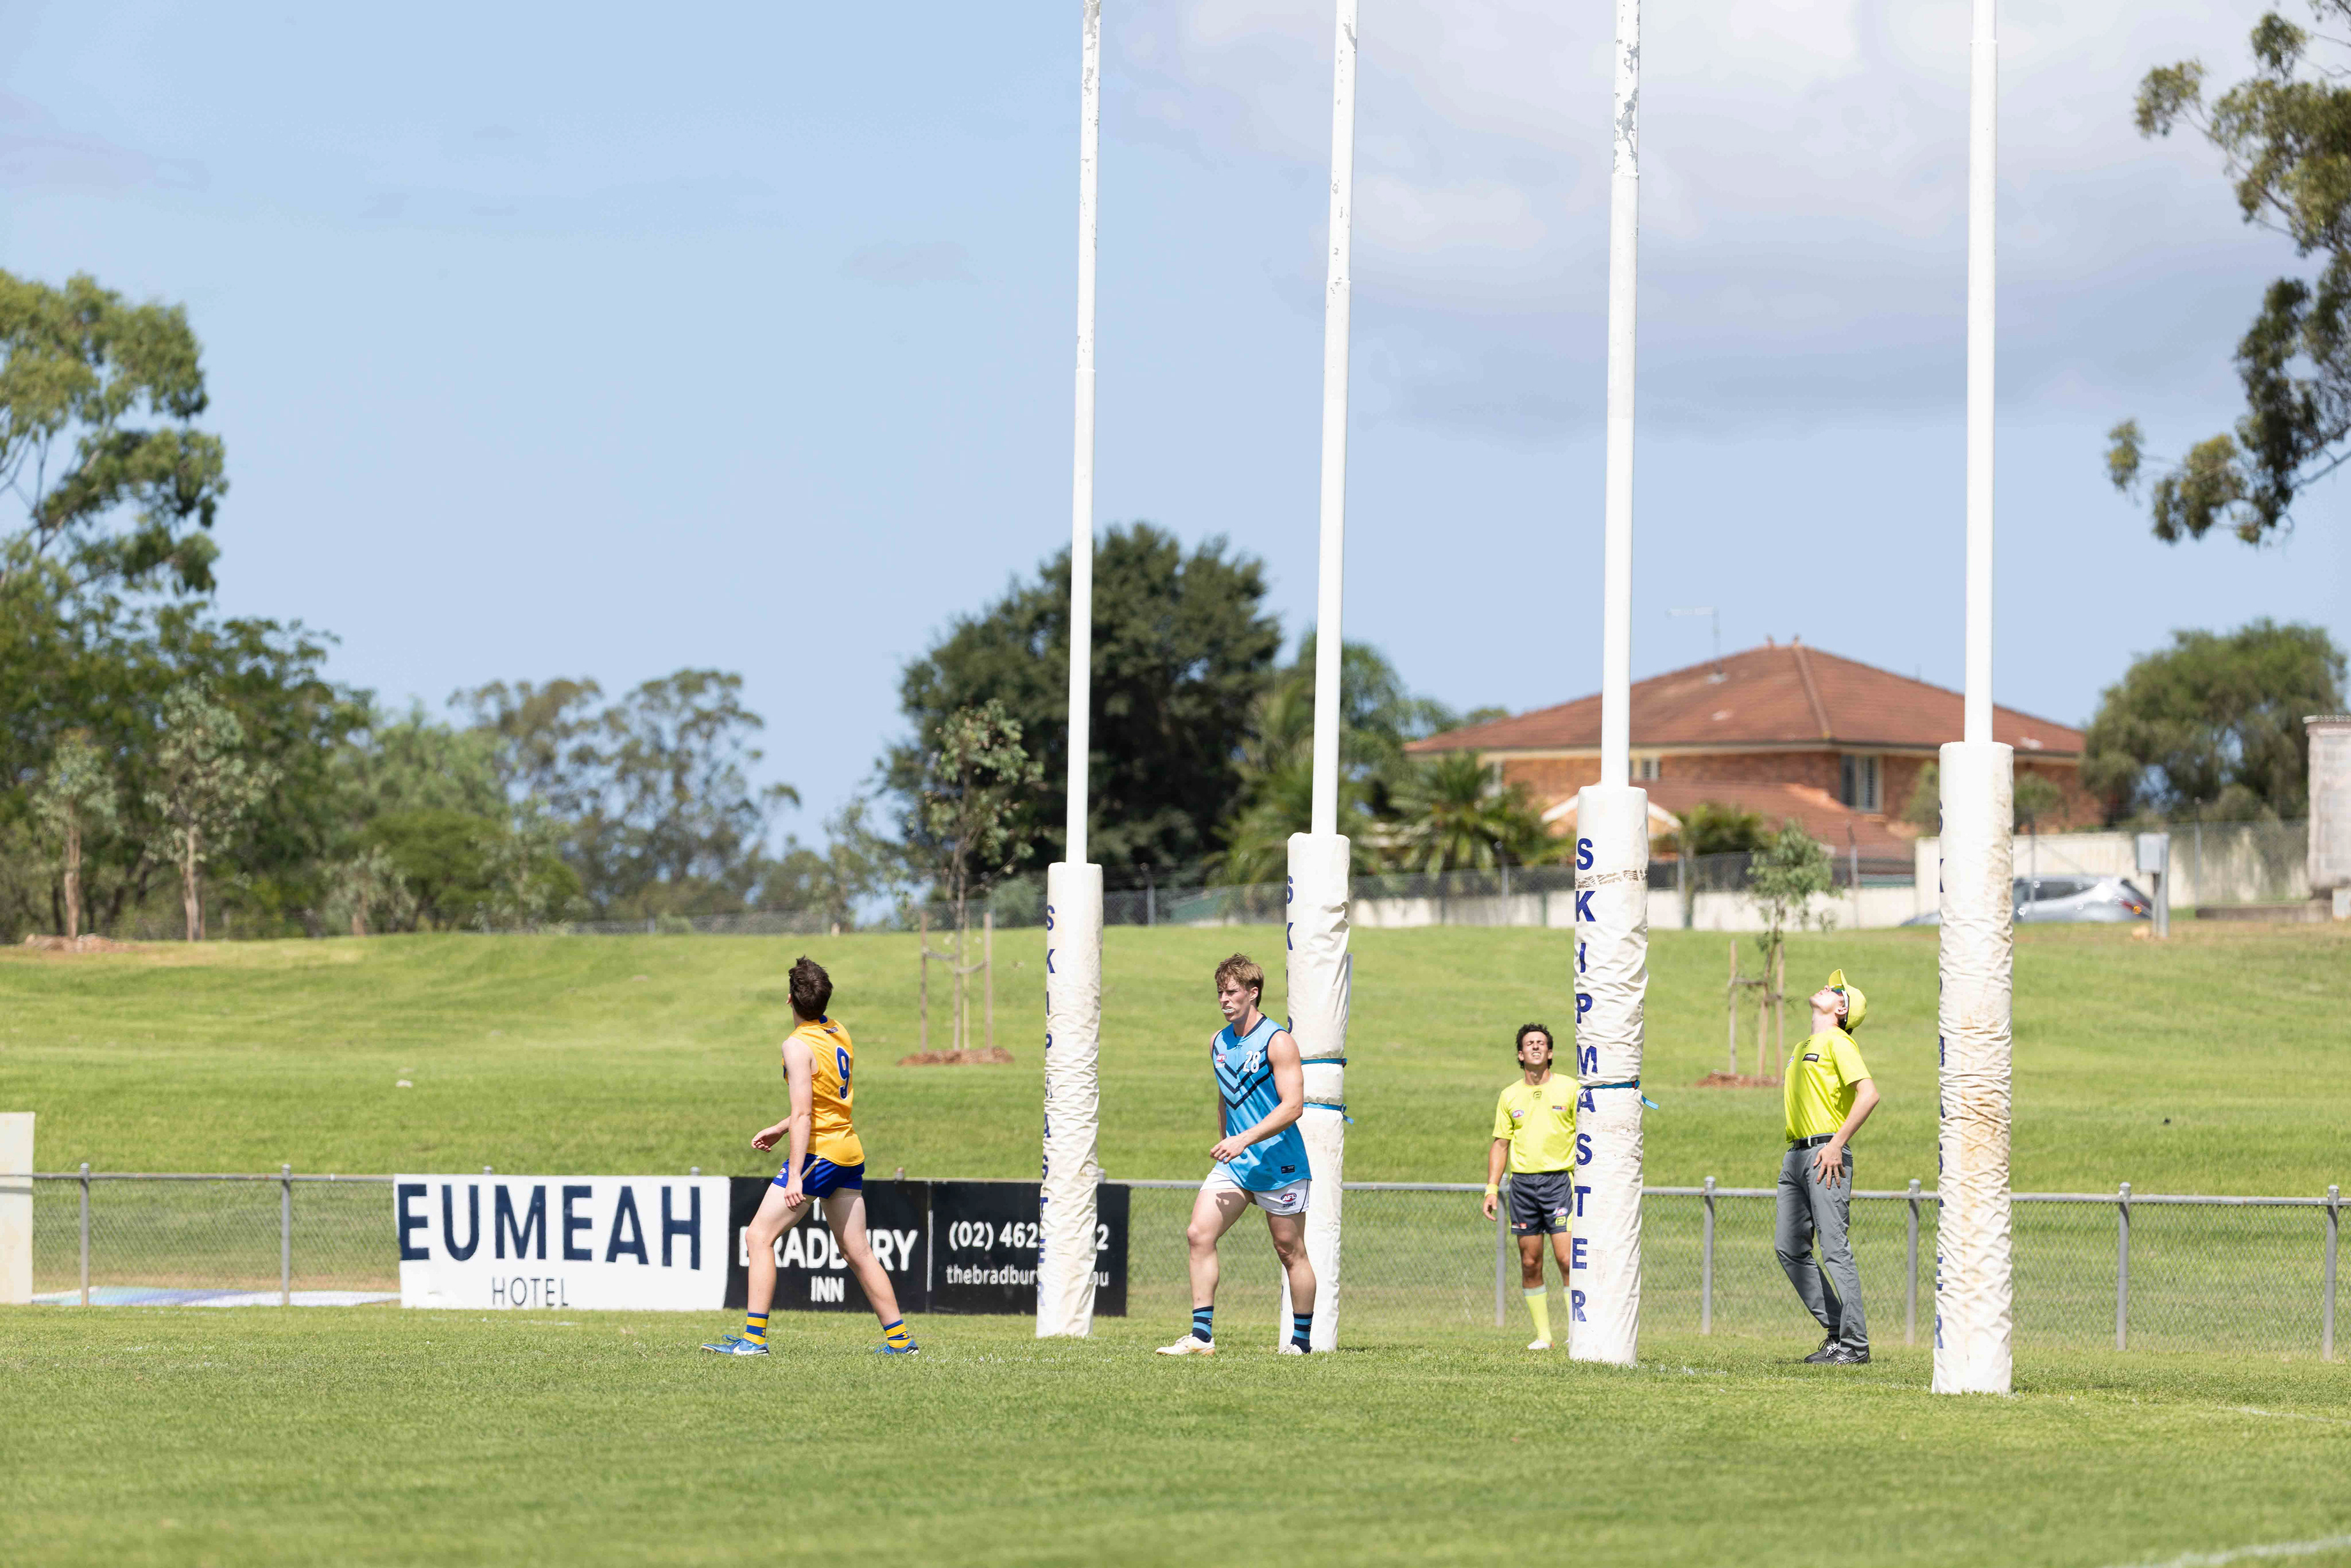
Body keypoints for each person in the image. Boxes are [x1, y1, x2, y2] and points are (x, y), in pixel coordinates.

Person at [702, 956, 917, 1357]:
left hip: (820, 1155)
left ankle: (754, 1340)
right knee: (858, 1251)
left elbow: (804, 1113)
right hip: (848, 1149)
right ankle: (901, 1342)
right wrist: (780, 1127)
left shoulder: (796, 1045)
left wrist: (796, 1174)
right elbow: (825, 1102)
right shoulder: (838, 1030)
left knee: (758, 1236)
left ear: (790, 999)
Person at [1156, 953, 1318, 1357]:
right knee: (1199, 1234)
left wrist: (1243, 1139)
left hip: (1280, 1164)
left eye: (1231, 992)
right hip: (1236, 1164)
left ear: (1253, 992)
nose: (1224, 1000)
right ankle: (1201, 1337)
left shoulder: (1278, 1041)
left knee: (1289, 1250)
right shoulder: (1218, 1042)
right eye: (1220, 993)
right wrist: (1227, 1141)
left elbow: (1293, 1106)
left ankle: (1300, 1343)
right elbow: (1225, 1098)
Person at [1775, 967, 1880, 1365]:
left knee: (1835, 1250)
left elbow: (1868, 1095)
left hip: (1826, 1154)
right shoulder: (1802, 1045)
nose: (1828, 987)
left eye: (1838, 990)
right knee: (1789, 1248)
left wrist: (1837, 1144)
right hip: (1796, 1154)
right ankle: (1837, 1331)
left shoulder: (1839, 1041)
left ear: (1842, 1010)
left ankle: (1855, 1347)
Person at [1482, 1023, 1577, 1351]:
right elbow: (1500, 1144)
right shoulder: (1509, 1095)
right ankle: (1544, 1337)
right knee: (1530, 1262)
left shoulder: (1570, 1089)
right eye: (1529, 1044)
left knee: (1567, 1259)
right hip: (1523, 1186)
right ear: (1521, 1055)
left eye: (1541, 1043)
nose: (1535, 1047)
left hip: (1560, 1182)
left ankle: (1577, 1332)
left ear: (1550, 1053)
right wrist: (1492, 1189)